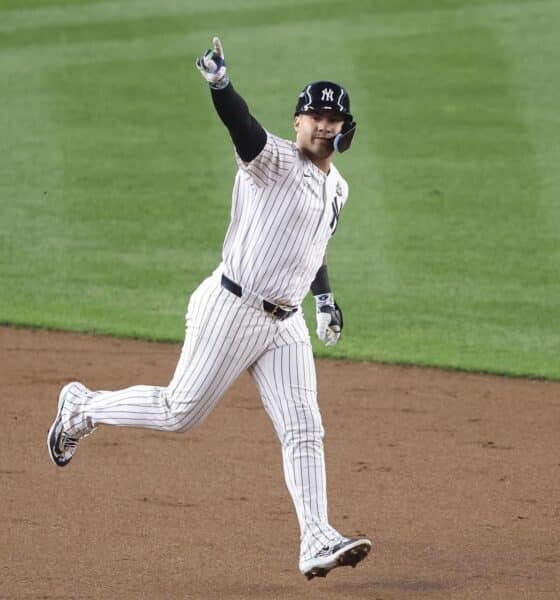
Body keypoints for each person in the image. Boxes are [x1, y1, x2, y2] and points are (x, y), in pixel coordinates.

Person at [47, 36, 371, 580]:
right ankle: (80, 407)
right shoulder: (269, 160)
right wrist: (221, 84)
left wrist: (324, 299)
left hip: (285, 324)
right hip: (233, 308)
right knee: (179, 413)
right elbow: (240, 125)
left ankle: (316, 540)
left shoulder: (338, 187)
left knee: (303, 428)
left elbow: (312, 244)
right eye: (313, 115)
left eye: (332, 118)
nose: (322, 125)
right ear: (296, 122)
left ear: (345, 128)